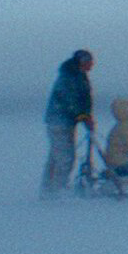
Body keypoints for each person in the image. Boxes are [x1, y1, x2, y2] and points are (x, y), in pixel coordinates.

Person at [40, 50, 95, 197]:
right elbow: (69, 100)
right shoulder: (69, 77)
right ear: (82, 62)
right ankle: (57, 191)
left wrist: (86, 116)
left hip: (67, 122)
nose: (91, 66)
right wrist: (82, 115)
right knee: (65, 158)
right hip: (59, 122)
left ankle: (48, 189)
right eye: (89, 62)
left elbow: (84, 100)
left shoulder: (79, 76)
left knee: (56, 157)